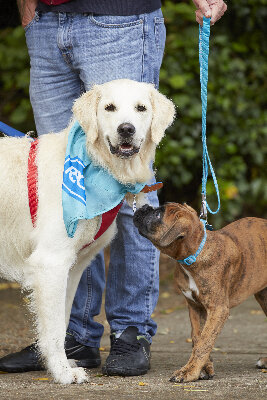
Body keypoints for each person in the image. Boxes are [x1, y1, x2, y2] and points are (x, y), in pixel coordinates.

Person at [0, 0, 227, 376]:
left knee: (131, 195)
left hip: (116, 18)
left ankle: (129, 332)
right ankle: (73, 338)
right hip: (44, 23)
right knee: (59, 187)